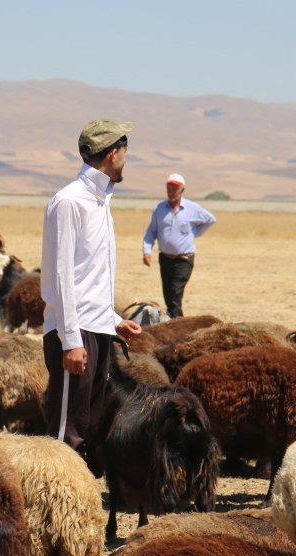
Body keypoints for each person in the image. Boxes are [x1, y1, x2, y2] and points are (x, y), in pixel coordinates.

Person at [42, 119, 143, 451]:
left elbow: (89, 276)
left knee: (87, 427)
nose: (127, 159)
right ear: (113, 154)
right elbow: (61, 276)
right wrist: (70, 340)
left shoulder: (101, 202)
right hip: (76, 332)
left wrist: (113, 321)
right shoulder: (70, 201)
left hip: (97, 328)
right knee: (66, 434)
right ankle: (52, 502)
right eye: (126, 152)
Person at [142, 173, 216, 318]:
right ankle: (179, 323)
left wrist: (195, 232)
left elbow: (210, 219)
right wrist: (147, 250)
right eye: (169, 189)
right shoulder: (160, 209)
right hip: (165, 258)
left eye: (174, 189)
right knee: (169, 296)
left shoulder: (192, 208)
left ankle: (173, 325)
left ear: (182, 190)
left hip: (184, 259)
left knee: (175, 293)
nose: (171, 192)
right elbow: (151, 231)